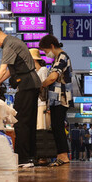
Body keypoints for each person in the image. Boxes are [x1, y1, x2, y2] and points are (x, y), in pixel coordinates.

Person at [0, 22, 41, 168]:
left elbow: (2, 70)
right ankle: (30, 157)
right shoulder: (14, 42)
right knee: (28, 122)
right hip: (31, 84)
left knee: (20, 121)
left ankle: (23, 158)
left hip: (27, 84)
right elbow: (9, 71)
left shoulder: (9, 44)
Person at [39, 35, 73, 166]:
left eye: (46, 50)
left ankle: (63, 156)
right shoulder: (58, 58)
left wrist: (42, 85)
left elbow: (53, 77)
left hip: (61, 98)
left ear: (52, 46)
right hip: (56, 99)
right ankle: (61, 155)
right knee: (57, 126)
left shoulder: (62, 57)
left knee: (58, 127)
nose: (46, 54)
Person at [30, 48, 50, 131]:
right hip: (36, 103)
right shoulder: (35, 71)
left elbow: (46, 87)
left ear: (34, 60)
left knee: (41, 127)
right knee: (37, 127)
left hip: (42, 103)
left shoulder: (43, 70)